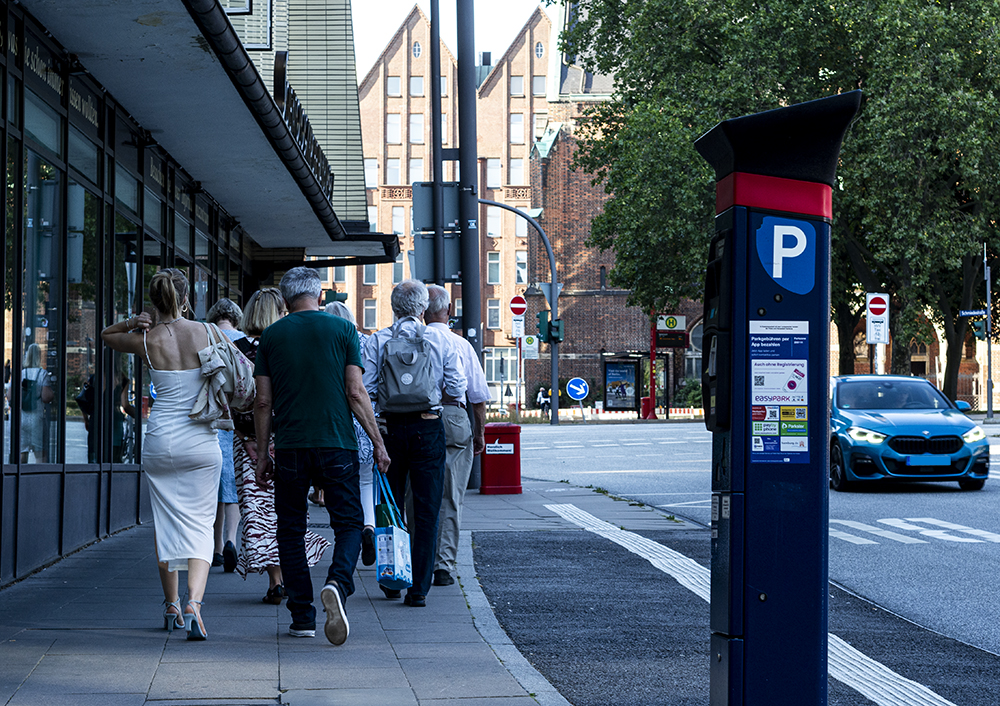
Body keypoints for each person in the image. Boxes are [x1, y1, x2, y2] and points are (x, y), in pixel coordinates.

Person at [254, 268, 389, 644]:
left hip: (292, 445)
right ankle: (338, 582)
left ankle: (301, 617)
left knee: (291, 529)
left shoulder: (272, 335)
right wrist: (378, 442)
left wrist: (264, 453)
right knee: (348, 523)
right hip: (337, 443)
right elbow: (356, 392)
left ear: (284, 300)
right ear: (320, 295)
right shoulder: (342, 330)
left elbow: (263, 401)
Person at [101, 268, 224, 641]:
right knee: (202, 524)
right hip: (200, 439)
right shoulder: (206, 332)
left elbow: (108, 336)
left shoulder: (146, 338)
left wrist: (134, 320)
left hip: (160, 440)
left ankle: (170, 604)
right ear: (186, 300)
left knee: (166, 523)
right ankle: (194, 605)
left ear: (155, 302)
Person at [363, 279, 466, 607]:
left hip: (389, 431)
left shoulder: (377, 340)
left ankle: (392, 578)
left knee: (391, 507)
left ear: (393, 308)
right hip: (428, 428)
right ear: (423, 308)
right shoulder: (441, 339)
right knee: (427, 508)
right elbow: (458, 386)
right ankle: (419, 588)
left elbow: (365, 390)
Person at [231, 288, 330, 605]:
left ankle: (277, 581)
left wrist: (248, 439)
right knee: (284, 511)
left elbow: (228, 400)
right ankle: (284, 576)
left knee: (257, 513)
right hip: (287, 439)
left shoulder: (235, 350)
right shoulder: (284, 345)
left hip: (249, 443)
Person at [424, 285, 489, 588]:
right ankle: (443, 566)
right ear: (448, 311)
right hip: (453, 418)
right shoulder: (460, 344)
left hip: (413, 419)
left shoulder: (410, 339)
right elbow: (477, 396)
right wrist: (479, 433)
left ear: (422, 310)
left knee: (416, 493)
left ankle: (416, 559)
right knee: (451, 496)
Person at [325, 301, 378, 567]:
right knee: (367, 481)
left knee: (341, 486)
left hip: (338, 425)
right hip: (366, 422)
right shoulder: (367, 342)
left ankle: (347, 538)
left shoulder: (326, 342)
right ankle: (368, 526)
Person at [206, 298, 245, 573]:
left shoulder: (204, 337)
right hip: (238, 419)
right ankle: (232, 539)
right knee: (233, 483)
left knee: (214, 486)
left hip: (211, 419)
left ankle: (216, 547)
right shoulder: (244, 342)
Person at [19, 343, 54, 463]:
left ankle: (20, 480)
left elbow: (9, 397)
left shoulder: (20, 373)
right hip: (36, 419)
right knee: (40, 455)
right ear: (39, 356)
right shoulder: (42, 374)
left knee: (21, 454)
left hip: (20, 418)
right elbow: (46, 397)